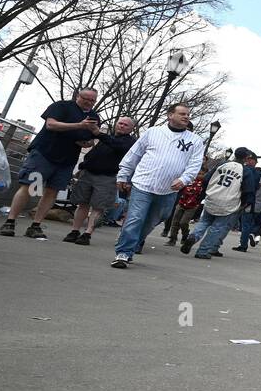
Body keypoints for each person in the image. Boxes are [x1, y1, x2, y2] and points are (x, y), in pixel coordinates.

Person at [0, 87, 101, 240]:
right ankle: (10, 221)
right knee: (31, 187)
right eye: (86, 98)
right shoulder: (61, 106)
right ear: (78, 96)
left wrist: (88, 141)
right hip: (45, 154)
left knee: (52, 192)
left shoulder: (93, 116)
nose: (89, 102)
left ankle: (36, 225)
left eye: (92, 100)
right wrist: (79, 125)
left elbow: (90, 139)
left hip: (67, 160)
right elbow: (51, 125)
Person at [110, 103, 205, 269]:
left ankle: (133, 242)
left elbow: (194, 165)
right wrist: (123, 174)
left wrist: (184, 179)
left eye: (188, 114)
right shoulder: (153, 132)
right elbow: (134, 154)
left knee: (154, 220)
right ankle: (123, 252)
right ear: (170, 115)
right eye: (182, 113)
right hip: (143, 183)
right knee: (135, 218)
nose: (186, 117)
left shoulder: (195, 141)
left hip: (169, 189)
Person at [63, 116, 137, 245]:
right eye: (120, 123)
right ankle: (74, 231)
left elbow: (117, 146)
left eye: (126, 125)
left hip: (108, 177)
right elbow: (94, 153)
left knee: (98, 207)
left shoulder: (130, 142)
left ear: (131, 129)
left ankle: (87, 233)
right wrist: (83, 166)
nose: (122, 126)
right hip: (88, 173)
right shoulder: (107, 138)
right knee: (82, 203)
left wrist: (98, 133)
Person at [185, 147, 254, 259]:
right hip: (229, 202)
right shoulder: (245, 171)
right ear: (246, 158)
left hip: (213, 197)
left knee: (204, 222)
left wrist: (205, 193)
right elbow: (248, 190)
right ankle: (202, 251)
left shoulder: (222, 164)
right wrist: (244, 204)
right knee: (217, 228)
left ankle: (193, 236)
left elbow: (206, 179)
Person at [231, 151, 261, 252]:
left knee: (243, 224)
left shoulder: (245, 170)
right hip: (248, 201)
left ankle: (243, 244)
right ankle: (243, 244)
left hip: (241, 199)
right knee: (246, 224)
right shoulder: (256, 173)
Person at [165, 170, 205, 246]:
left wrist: (198, 204)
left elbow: (202, 195)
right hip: (181, 202)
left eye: (202, 174)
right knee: (175, 222)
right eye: (199, 173)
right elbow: (180, 188)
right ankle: (172, 239)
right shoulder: (189, 180)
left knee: (183, 222)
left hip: (192, 206)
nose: (200, 175)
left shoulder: (203, 185)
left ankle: (185, 235)